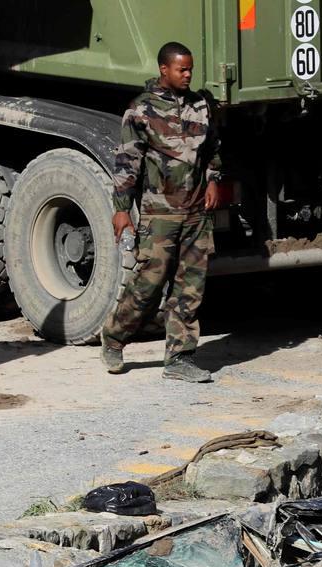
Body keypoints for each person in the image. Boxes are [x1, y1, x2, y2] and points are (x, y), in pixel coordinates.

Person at [103, 41, 223, 383]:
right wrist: (122, 209)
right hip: (160, 213)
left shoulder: (201, 105)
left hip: (197, 213)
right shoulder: (140, 110)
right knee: (147, 285)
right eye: (181, 69)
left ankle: (180, 358)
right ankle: (113, 338)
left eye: (190, 69)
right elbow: (128, 163)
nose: (188, 75)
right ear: (164, 70)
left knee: (190, 288)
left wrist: (213, 180)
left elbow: (213, 148)